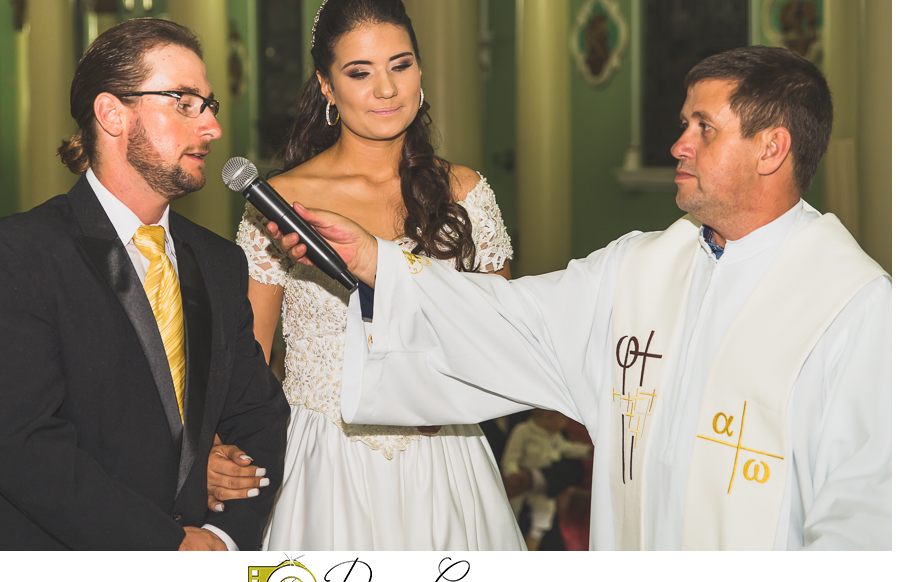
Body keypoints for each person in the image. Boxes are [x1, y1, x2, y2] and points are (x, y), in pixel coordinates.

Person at [268, 46, 891, 550]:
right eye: (684, 125)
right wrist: (374, 258)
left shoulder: (852, 307)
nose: (679, 144)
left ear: (772, 149)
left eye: (704, 128)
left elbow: (865, 518)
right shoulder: (640, 268)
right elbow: (514, 320)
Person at [0, 18, 289, 550]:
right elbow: (24, 445)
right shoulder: (14, 255)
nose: (211, 128)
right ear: (111, 113)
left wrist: (223, 537)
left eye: (209, 105)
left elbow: (258, 416)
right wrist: (166, 545)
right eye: (183, 102)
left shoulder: (219, 261)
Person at [210, 0, 524, 550]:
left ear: (421, 73)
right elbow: (249, 366)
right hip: (321, 463)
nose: (385, 88)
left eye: (400, 65)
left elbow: (499, 338)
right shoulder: (282, 202)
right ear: (327, 86)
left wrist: (449, 394)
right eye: (359, 73)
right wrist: (219, 451)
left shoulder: (466, 192)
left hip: (444, 457)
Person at [501, 409, 591, 550]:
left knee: (545, 510)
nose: (565, 423)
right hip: (519, 482)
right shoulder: (523, 430)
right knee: (511, 511)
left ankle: (533, 542)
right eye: (563, 419)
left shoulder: (554, 435)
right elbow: (511, 457)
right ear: (548, 416)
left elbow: (566, 448)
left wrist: (587, 451)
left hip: (542, 487)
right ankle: (509, 540)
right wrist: (513, 473)